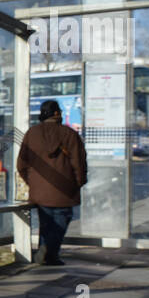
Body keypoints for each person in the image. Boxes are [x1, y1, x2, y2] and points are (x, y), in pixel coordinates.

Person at [16, 99, 87, 266]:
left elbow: (21, 165)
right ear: (57, 113)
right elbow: (79, 162)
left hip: (40, 190)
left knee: (46, 223)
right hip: (64, 188)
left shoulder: (31, 133)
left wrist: (32, 182)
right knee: (60, 222)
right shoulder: (69, 134)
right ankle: (50, 253)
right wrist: (78, 182)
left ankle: (45, 251)